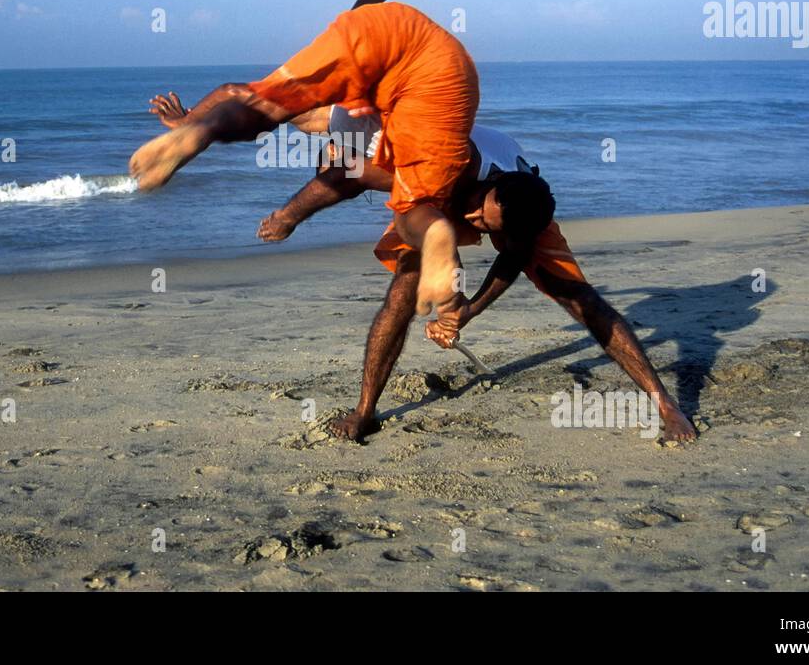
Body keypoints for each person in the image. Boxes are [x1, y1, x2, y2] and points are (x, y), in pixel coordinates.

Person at [145, 96, 699, 444]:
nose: (477, 226)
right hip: (438, 189)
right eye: (480, 215)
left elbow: (510, 257)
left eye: (486, 224)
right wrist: (286, 214)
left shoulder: (520, 215)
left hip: (516, 194)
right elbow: (345, 171)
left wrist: (466, 314)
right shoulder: (431, 160)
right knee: (402, 294)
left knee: (581, 299)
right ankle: (365, 413)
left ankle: (664, 404)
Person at [129, 0, 479, 329]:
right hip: (436, 71)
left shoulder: (330, 122)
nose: (330, 165)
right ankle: (199, 134)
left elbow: (231, 92)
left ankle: (202, 135)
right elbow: (345, 181)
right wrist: (287, 217)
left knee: (265, 106)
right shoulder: (361, 150)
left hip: (381, 32)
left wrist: (191, 122)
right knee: (415, 215)